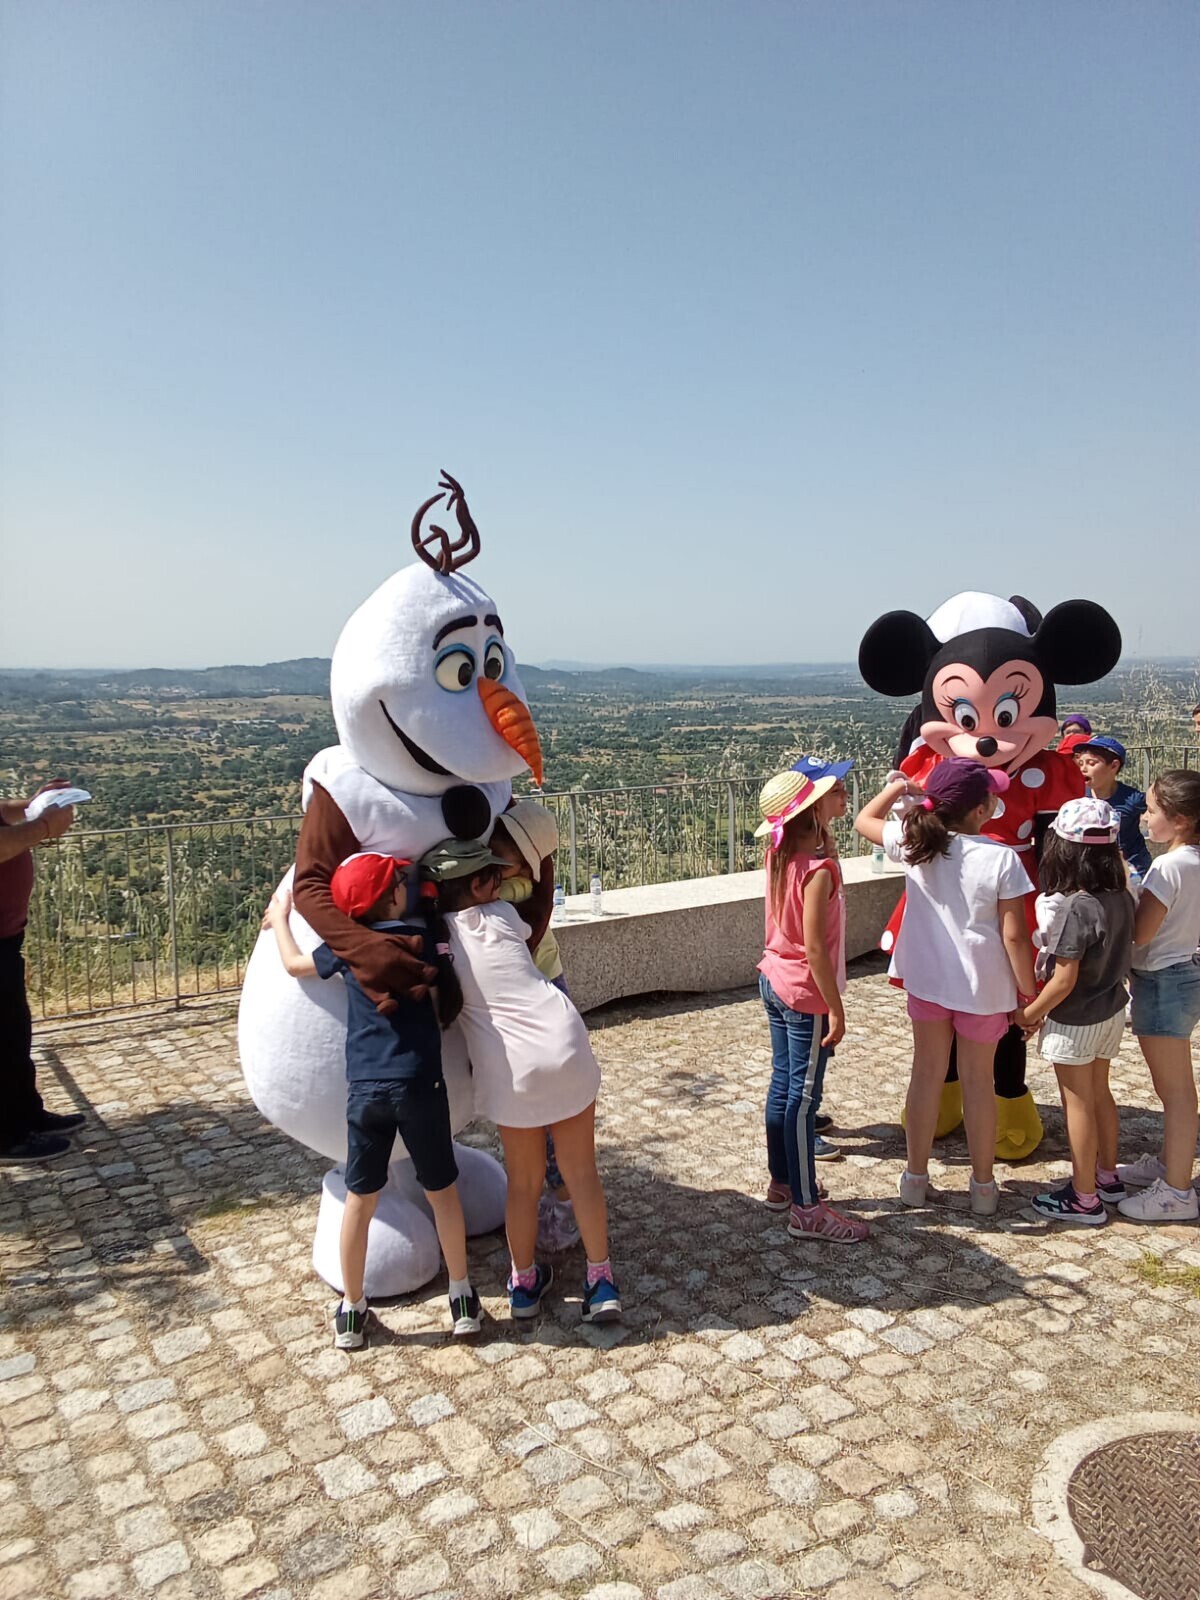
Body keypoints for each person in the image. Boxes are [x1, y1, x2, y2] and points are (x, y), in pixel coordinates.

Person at [263, 854, 480, 1347]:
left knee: (360, 1200)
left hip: (366, 1089)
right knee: (442, 1192)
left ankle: (352, 1307)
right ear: (392, 896)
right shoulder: (419, 939)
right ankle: (461, 1295)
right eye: (399, 880)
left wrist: (281, 919)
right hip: (420, 1084)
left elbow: (295, 966)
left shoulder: (347, 946)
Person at [421, 837, 622, 1325]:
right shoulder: (504, 917)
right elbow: (532, 904)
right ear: (478, 886)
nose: (500, 882)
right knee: (580, 1172)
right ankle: (601, 1282)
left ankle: (525, 1285)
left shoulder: (436, 943)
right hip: (564, 1045)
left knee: (523, 1183)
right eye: (493, 876)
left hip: (511, 1069)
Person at [856, 759, 1036, 1215]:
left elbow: (863, 820)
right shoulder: (1001, 858)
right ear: (982, 809)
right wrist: (1028, 994)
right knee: (979, 1084)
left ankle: (915, 1179)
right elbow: (1015, 936)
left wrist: (902, 788)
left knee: (925, 1075)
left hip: (927, 981)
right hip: (983, 989)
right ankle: (983, 1188)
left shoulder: (916, 843)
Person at [755, 764, 869, 1243]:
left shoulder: (777, 855)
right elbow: (817, 949)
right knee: (803, 1101)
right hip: (804, 992)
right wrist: (835, 1008)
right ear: (813, 812)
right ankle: (807, 1208)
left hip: (773, 977)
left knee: (782, 1087)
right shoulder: (819, 872)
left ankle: (782, 1182)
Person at [1013, 800, 1133, 1225]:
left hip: (1077, 1017)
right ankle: (1108, 1177)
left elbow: (1063, 980)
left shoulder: (1077, 906)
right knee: (1100, 1093)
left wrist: (1029, 1013)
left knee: (1077, 1104)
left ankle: (1084, 1198)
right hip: (1111, 1009)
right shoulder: (1121, 896)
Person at [489, 801, 581, 1254]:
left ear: (527, 865)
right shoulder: (523, 883)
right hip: (545, 990)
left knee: (547, 1118)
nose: (493, 866)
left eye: (503, 862)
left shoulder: (513, 891)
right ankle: (564, 1199)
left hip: (537, 997)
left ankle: (565, 1207)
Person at [1114, 771, 1200, 1222]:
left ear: (1181, 820)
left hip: (1162, 979)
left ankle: (1177, 1191)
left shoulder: (1169, 867)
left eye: (1151, 811)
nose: (1144, 818)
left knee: (1176, 1093)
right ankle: (1170, 1163)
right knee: (1176, 1088)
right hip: (1185, 970)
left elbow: (1142, 934)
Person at [1, 783, 85, 1162]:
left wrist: (35, 804)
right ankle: (7, 1137)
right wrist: (44, 826)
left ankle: (25, 1115)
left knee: (13, 1034)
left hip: (6, 937)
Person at [1073, 737, 1151, 878]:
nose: (1083, 769)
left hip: (1132, 869)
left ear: (1114, 766)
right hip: (1094, 869)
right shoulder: (1078, 798)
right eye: (1081, 763)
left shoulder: (1133, 798)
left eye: (1091, 763)